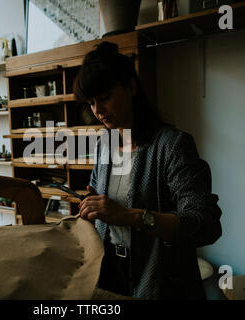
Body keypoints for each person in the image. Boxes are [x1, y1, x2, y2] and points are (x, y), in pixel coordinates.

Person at [74, 41, 222, 300]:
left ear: (131, 87)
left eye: (105, 98)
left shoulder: (173, 146)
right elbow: (103, 210)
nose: (97, 110)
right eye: (91, 103)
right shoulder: (105, 143)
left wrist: (129, 215)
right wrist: (92, 208)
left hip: (162, 283)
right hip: (109, 273)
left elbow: (205, 224)